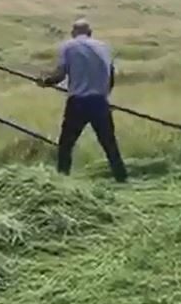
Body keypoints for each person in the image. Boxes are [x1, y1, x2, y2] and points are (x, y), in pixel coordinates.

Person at [39, 19, 128, 183]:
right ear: (90, 32)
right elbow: (111, 75)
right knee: (109, 143)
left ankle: (62, 178)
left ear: (73, 33)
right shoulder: (104, 47)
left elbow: (60, 74)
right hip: (100, 102)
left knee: (66, 144)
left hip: (78, 102)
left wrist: (46, 82)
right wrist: (105, 95)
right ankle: (121, 178)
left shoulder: (69, 46)